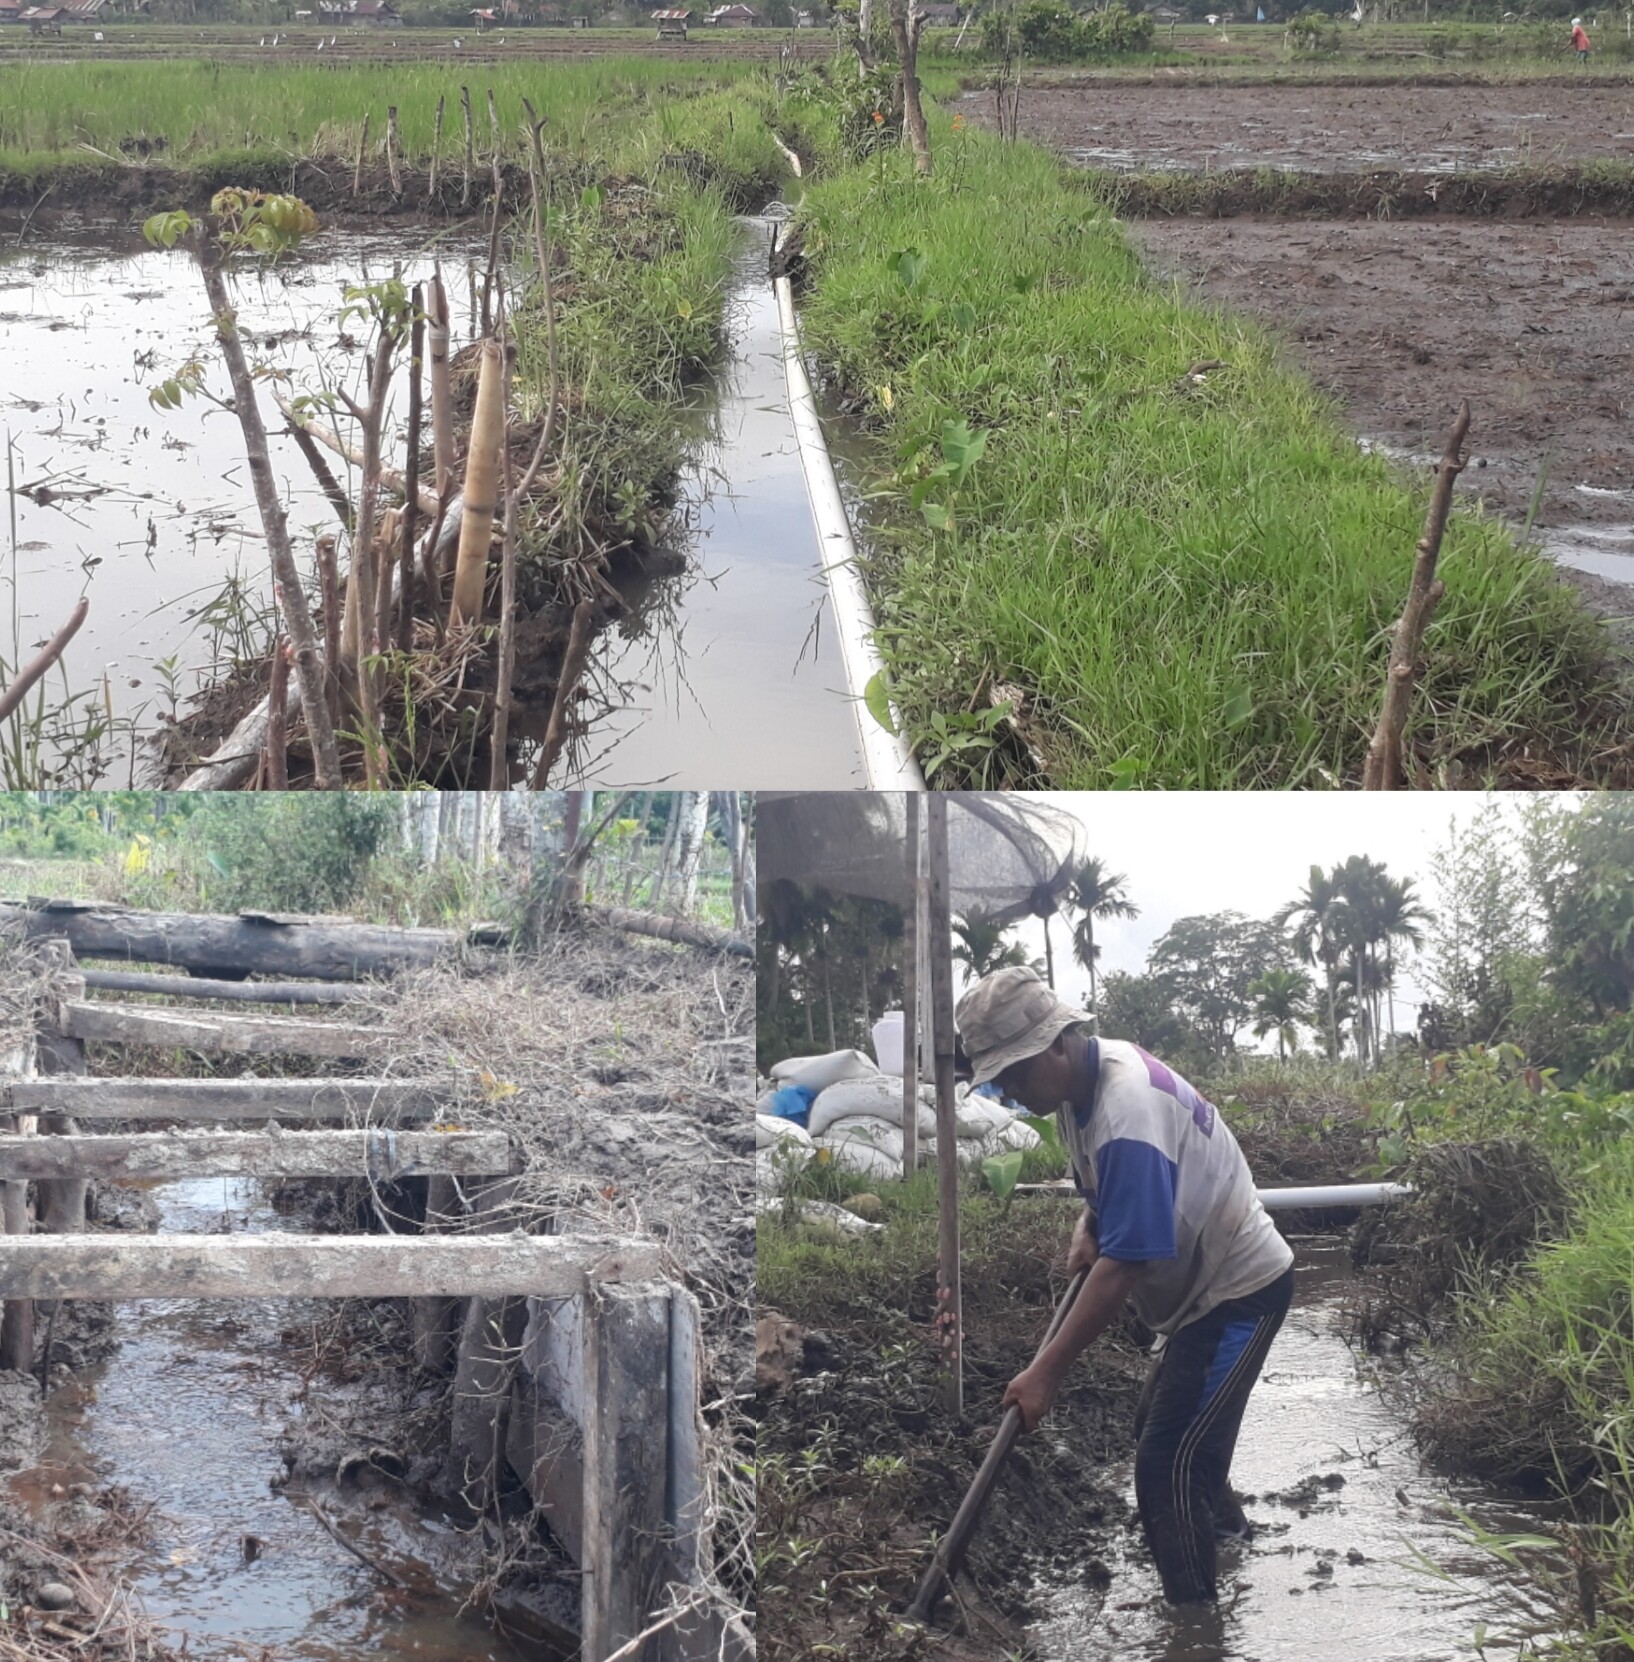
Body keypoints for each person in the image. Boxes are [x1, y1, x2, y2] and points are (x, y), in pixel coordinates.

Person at [955, 965, 1295, 1609]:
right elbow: (1113, 1188)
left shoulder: (1126, 1106)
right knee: (1166, 1432)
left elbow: (1126, 1264)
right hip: (1199, 1290)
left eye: (1014, 1072)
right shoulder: (1079, 1086)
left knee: (1168, 1466)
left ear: (1057, 1043)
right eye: (999, 1078)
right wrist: (1090, 1221)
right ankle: (1229, 1544)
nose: (1009, 1089)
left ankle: (1195, 1629)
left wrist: (1045, 1374)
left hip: (1238, 1291)